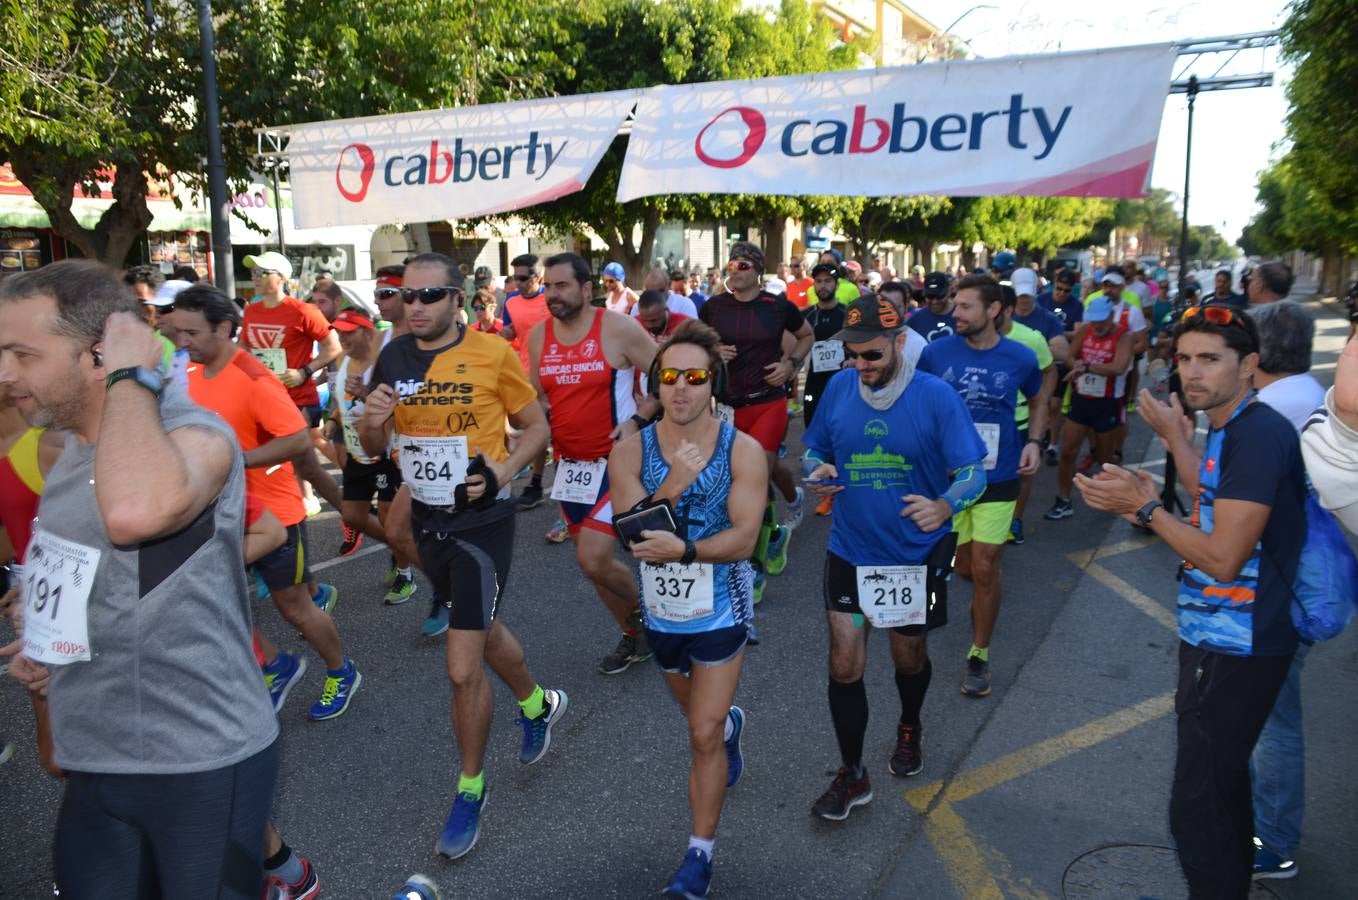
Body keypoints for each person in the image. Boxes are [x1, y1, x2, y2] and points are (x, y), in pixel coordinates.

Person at [0, 260, 279, 897]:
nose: (4, 374)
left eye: (22, 353)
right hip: (97, 755)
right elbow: (108, 566)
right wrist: (47, 624)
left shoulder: (194, 434)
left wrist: (132, 372)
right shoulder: (73, 447)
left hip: (198, 755)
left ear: (100, 353)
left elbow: (133, 515)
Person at [1077, 304, 1304, 897]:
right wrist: (1179, 442)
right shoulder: (1235, 427)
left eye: (1210, 359)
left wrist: (1143, 508)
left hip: (1239, 645)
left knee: (1198, 810)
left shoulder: (1257, 434)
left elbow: (1223, 556)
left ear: (1249, 365)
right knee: (1222, 793)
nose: (1192, 373)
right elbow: (1215, 507)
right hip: (1223, 637)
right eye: (1183, 359)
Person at [358, 252, 567, 860]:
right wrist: (373, 423)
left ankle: (470, 788)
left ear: (458, 299)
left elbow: (536, 430)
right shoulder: (392, 356)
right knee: (482, 624)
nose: (414, 306)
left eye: (429, 296)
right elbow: (376, 446)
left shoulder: (494, 354)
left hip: (482, 522)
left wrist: (499, 474)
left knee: (460, 664)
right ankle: (538, 704)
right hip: (428, 518)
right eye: (407, 295)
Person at [802, 294, 986, 821]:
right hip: (850, 548)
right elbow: (816, 448)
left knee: (909, 659)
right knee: (844, 663)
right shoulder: (840, 387)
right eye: (852, 356)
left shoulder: (936, 397)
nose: (860, 367)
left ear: (900, 342)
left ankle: (910, 723)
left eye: (872, 356)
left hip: (913, 555)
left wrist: (944, 505)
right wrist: (817, 469)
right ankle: (852, 772)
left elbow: (973, 472)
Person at [608, 319, 765, 900]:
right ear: (654, 385)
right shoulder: (629, 454)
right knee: (700, 719)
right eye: (668, 376)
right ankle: (730, 724)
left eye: (694, 377)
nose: (680, 389)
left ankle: (699, 857)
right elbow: (631, 535)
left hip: (722, 606)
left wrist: (689, 548)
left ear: (712, 385)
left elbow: (745, 539)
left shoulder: (743, 451)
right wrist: (675, 481)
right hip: (663, 614)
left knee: (700, 736)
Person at [173, 285, 360, 720]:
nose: (181, 341)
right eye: (176, 331)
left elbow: (297, 439)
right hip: (215, 509)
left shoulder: (252, 376)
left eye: (191, 332)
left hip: (272, 514)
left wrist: (234, 460)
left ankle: (341, 671)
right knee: (209, 599)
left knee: (293, 607)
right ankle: (277, 664)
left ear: (223, 328)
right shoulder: (191, 372)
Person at [527, 252, 662, 674]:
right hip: (570, 470)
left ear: (587, 289)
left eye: (561, 285)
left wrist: (639, 419)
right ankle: (634, 634)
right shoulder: (538, 337)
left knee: (592, 557)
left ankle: (661, 612)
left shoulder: (617, 327)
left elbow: (671, 377)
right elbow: (532, 396)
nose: (552, 294)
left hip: (618, 462)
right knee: (594, 568)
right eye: (547, 286)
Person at [917, 275, 1045, 698]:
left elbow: (1042, 396)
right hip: (947, 480)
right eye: (956, 305)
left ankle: (979, 654)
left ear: (993, 311)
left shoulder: (1021, 358)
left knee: (987, 567)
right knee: (965, 567)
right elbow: (915, 402)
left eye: (967, 306)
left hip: (998, 475)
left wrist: (1035, 442)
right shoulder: (936, 354)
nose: (957, 313)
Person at [1241, 300, 1325, 881]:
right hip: (1297, 581)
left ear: (1258, 354)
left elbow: (1229, 503)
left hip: (1278, 586)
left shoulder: (1270, 409)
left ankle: (1274, 843)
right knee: (1272, 716)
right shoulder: (1310, 391)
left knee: (1271, 720)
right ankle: (1268, 832)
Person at [699, 241, 813, 601]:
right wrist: (712, 350)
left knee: (755, 481)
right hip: (730, 406)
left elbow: (806, 335)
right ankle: (776, 532)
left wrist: (790, 365)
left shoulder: (776, 306)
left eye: (744, 264)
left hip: (767, 403)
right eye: (732, 263)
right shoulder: (714, 306)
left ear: (758, 270)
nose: (736, 269)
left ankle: (754, 566)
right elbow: (693, 342)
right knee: (744, 477)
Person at [240, 251, 346, 524]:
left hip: (298, 395)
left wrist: (304, 372)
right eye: (254, 272)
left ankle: (334, 502)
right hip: (263, 395)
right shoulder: (252, 311)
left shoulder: (302, 310)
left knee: (297, 451)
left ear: (281, 278)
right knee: (303, 450)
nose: (255, 277)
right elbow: (244, 348)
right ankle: (309, 498)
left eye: (262, 273)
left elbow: (333, 346)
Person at [330, 307, 419, 601]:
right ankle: (401, 545)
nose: (342, 338)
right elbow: (341, 399)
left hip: (383, 450)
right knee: (353, 515)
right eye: (339, 332)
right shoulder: (343, 361)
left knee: (386, 515)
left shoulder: (382, 364)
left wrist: (366, 397)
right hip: (357, 452)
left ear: (367, 331)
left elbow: (395, 405)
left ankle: (405, 574)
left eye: (348, 332)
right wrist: (333, 420)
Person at [1043, 296, 1134, 521]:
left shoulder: (1124, 336)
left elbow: (1119, 367)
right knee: (1068, 452)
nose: (1097, 326)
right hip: (1082, 399)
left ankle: (1112, 496)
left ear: (1111, 317)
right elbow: (1069, 358)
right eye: (1093, 322)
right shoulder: (1085, 330)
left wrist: (1087, 367)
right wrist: (1079, 365)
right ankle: (1064, 500)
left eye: (1101, 322)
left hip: (1108, 403)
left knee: (1105, 459)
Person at [499, 253, 553, 511]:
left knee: (563, 435)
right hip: (527, 378)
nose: (518, 283)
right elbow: (511, 334)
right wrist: (504, 336)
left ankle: (579, 489)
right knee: (536, 430)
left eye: (524, 277)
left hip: (558, 375)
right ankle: (536, 483)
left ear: (539, 277)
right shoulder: (510, 301)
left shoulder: (551, 299)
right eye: (515, 278)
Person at [907, 273, 957, 343]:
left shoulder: (961, 316)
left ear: (949, 292)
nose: (934, 301)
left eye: (940, 296)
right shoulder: (916, 319)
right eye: (930, 296)